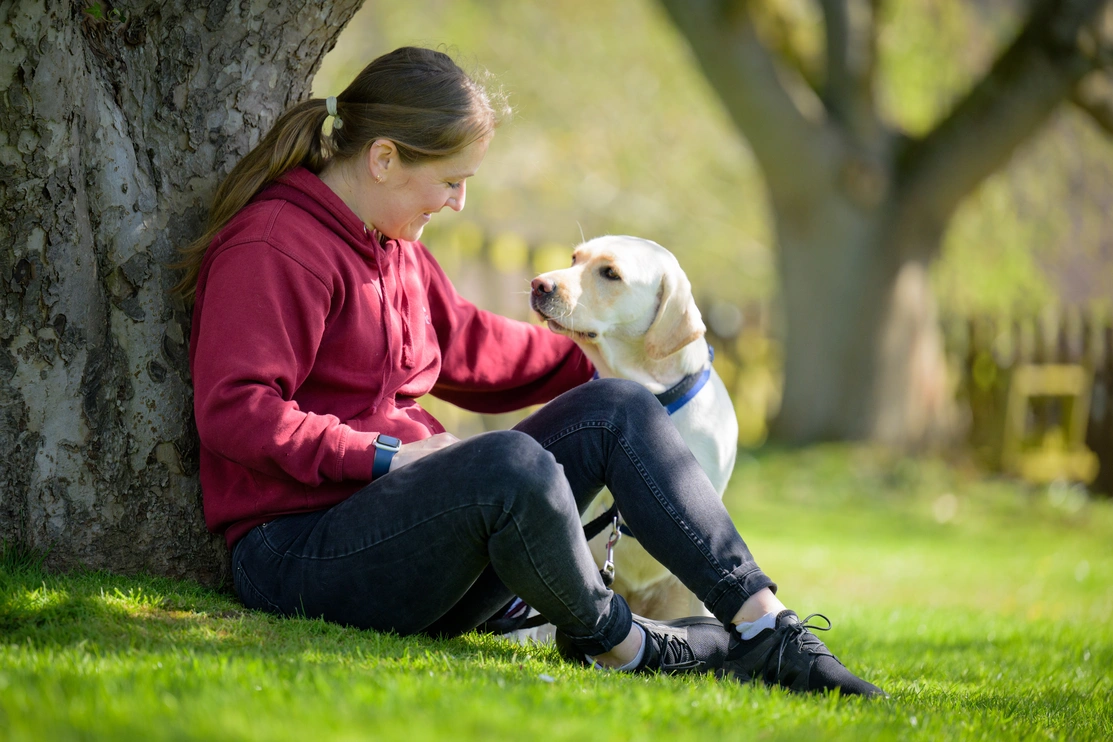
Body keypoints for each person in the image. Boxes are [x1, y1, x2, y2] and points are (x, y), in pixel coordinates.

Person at [177, 46, 884, 696]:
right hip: (298, 550)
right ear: (384, 158)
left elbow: (473, 351)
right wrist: (386, 457)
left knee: (616, 406)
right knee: (506, 461)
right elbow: (236, 409)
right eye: (450, 181)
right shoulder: (274, 246)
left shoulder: (395, 249)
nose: (458, 203)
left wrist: (627, 355)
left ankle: (768, 629)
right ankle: (617, 641)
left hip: (405, 533)